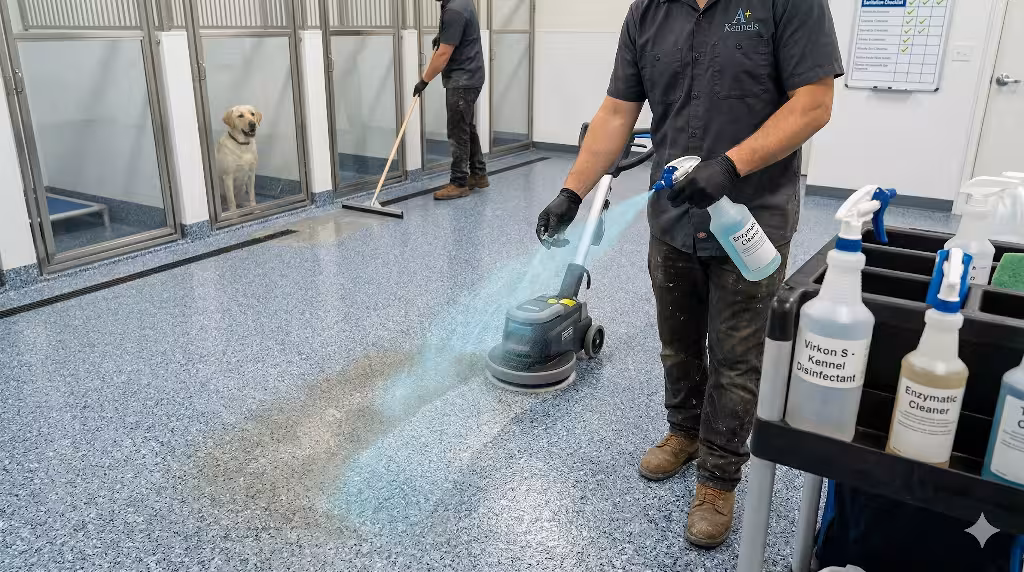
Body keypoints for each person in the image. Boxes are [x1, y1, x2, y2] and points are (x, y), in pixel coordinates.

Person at [535, 0, 844, 548]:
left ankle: (719, 476)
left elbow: (814, 104)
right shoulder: (648, 12)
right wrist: (571, 191)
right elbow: (615, 112)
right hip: (675, 218)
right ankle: (684, 433)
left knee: (736, 356)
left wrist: (730, 165)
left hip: (752, 218)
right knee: (677, 345)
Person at [413, 0, 488, 200]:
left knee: (458, 131)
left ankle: (459, 183)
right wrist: (442, 36)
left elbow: (443, 55)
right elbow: (456, 37)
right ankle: (478, 174)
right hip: (471, 76)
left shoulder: (454, 10)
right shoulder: (462, 2)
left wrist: (424, 80)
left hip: (462, 80)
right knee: (466, 127)